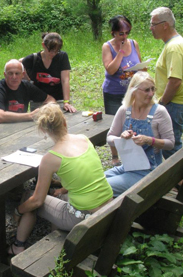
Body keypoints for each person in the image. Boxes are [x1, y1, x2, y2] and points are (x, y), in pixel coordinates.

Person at [9, 103, 113, 254]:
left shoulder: (50, 158)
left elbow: (37, 200)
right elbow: (82, 177)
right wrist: (61, 188)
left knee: (29, 197)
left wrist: (18, 211)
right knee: (56, 194)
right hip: (107, 207)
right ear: (64, 121)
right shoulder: (83, 139)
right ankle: (54, 237)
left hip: (84, 218)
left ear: (43, 130)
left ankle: (18, 246)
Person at [104, 72, 174, 198]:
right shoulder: (125, 110)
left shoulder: (159, 112)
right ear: (134, 91)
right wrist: (121, 139)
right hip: (128, 166)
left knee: (101, 188)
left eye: (153, 89)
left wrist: (149, 140)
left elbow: (170, 143)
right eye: (147, 90)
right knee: (94, 183)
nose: (151, 94)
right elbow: (109, 138)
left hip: (149, 172)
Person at [150, 7, 183, 159]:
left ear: (165, 25)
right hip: (176, 102)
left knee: (170, 147)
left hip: (173, 103)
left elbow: (174, 81)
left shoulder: (174, 47)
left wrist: (162, 103)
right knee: (171, 144)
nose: (151, 28)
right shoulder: (174, 43)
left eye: (153, 24)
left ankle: (179, 181)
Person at [102, 15, 144, 166]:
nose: (125, 36)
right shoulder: (107, 46)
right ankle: (114, 156)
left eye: (127, 32)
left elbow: (139, 63)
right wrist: (120, 52)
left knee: (132, 122)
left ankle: (131, 152)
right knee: (115, 124)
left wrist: (142, 68)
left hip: (132, 92)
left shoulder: (134, 43)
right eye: (121, 33)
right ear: (113, 32)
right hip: (113, 92)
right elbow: (111, 70)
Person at [0, 59, 55, 128]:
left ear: (23, 74)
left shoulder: (26, 86)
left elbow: (49, 99)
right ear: (5, 75)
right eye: (10, 73)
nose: (14, 77)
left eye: (17, 73)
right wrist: (30, 116)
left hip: (19, 129)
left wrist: (47, 110)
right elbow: (0, 117)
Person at [21, 32, 76, 113]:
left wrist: (66, 102)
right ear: (43, 45)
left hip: (58, 101)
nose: (53, 54)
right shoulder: (33, 59)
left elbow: (65, 80)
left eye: (56, 51)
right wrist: (27, 78)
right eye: (51, 50)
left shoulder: (62, 56)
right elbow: (17, 65)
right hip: (38, 103)